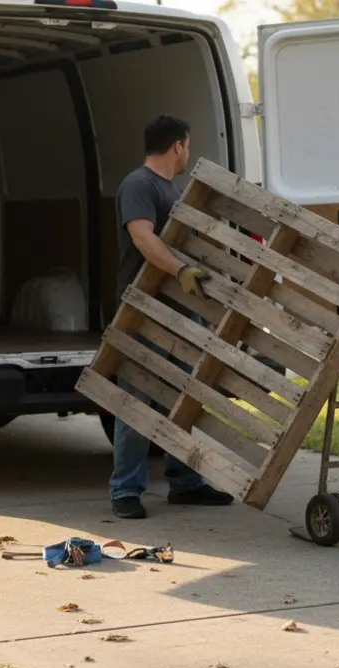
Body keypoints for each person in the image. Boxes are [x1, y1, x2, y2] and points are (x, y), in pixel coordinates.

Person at [109, 114, 234, 519]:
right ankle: (125, 489)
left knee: (183, 397)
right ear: (178, 145)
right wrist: (180, 270)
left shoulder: (172, 188)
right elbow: (141, 236)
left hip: (181, 313)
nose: (188, 153)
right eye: (188, 145)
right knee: (137, 397)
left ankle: (185, 482)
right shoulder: (139, 185)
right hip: (145, 310)